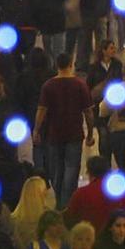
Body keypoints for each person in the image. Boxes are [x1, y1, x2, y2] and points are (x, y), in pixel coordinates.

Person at [35, 54, 95, 207]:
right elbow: (88, 112)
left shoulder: (48, 85)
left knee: (56, 170)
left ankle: (59, 200)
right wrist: (90, 132)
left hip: (53, 133)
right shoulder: (80, 84)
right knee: (71, 169)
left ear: (56, 65)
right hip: (74, 133)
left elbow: (41, 110)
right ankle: (67, 203)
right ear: (71, 65)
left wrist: (36, 130)